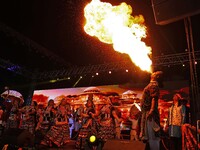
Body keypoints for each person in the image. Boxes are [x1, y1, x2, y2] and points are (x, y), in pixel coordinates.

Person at [140, 71, 163, 150]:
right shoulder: (152, 84)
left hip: (150, 113)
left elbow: (154, 98)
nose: (153, 73)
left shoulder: (154, 85)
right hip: (147, 112)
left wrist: (152, 110)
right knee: (148, 135)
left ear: (157, 77)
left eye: (155, 73)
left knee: (152, 134)